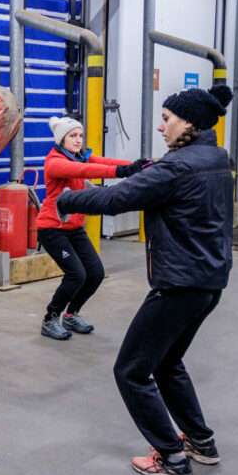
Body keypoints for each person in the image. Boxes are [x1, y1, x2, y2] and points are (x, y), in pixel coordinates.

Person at [56, 85, 234, 475]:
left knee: (132, 370)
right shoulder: (217, 157)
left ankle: (171, 457)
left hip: (179, 283)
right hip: (209, 282)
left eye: (167, 119)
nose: (161, 126)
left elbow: (117, 200)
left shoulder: (178, 167)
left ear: (188, 122)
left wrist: (65, 201)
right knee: (168, 362)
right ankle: (200, 442)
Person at [36, 115, 149, 340]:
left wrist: (138, 166)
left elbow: (103, 162)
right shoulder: (55, 162)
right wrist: (123, 172)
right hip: (52, 229)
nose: (78, 140)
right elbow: (85, 171)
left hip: (75, 228)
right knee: (76, 275)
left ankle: (72, 314)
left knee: (95, 273)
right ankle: (50, 318)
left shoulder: (79, 156)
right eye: (72, 136)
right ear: (61, 139)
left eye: (80, 135)